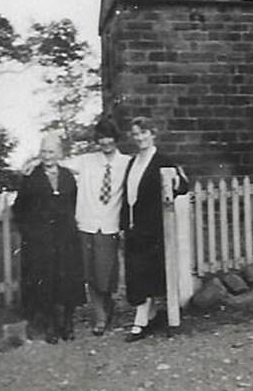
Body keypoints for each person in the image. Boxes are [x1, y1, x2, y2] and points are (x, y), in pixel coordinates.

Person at [59, 118, 130, 336]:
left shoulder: (127, 162)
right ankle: (99, 315)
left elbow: (147, 173)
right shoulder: (87, 161)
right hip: (86, 223)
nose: (105, 142)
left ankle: (108, 306)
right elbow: (59, 164)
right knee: (89, 272)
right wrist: (33, 163)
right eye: (101, 138)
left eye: (109, 137)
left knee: (106, 273)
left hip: (109, 225)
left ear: (115, 138)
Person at [11, 131, 84, 343]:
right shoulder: (31, 177)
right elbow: (19, 208)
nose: (47, 155)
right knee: (46, 282)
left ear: (59, 153)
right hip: (41, 240)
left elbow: (75, 203)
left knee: (69, 280)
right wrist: (30, 233)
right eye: (43, 151)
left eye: (51, 151)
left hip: (66, 237)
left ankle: (68, 324)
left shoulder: (68, 176)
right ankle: (51, 325)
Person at [121, 116, 188, 342]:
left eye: (144, 132)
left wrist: (175, 180)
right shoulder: (132, 162)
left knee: (152, 274)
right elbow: (128, 197)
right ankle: (147, 316)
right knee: (138, 275)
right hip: (134, 228)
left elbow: (182, 186)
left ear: (153, 134)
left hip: (154, 229)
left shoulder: (162, 159)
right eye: (136, 134)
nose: (140, 137)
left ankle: (147, 321)